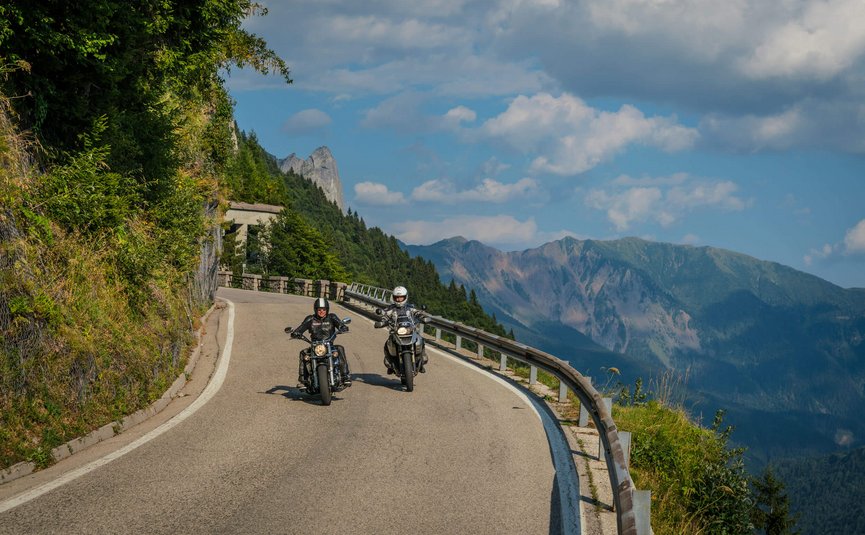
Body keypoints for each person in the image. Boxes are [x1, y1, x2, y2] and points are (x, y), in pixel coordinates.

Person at [289, 297, 352, 387]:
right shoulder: (310, 319)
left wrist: (343, 328)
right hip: (315, 346)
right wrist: (296, 333)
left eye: (323, 309)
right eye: (319, 309)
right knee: (304, 353)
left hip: (329, 345)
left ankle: (345, 376)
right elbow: (301, 328)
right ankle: (303, 380)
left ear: (327, 309)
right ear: (315, 310)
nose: (321, 311)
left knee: (340, 349)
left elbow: (340, 325)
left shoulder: (332, 317)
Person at [379, 286, 429, 374]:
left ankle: (421, 360)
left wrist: (423, 316)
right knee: (388, 344)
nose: (399, 299)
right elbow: (385, 316)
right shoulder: (390, 309)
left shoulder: (410, 307)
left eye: (401, 297)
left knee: (420, 340)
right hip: (396, 331)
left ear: (405, 297)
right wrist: (382, 322)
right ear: (393, 298)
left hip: (410, 330)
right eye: (397, 297)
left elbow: (417, 312)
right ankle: (391, 363)